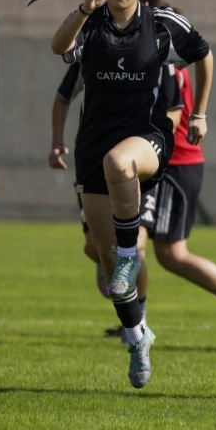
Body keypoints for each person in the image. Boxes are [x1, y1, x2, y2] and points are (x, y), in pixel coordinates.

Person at [4, 0, 214, 388]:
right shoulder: (90, 20)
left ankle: (126, 255)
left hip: (147, 140)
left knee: (121, 165)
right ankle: (138, 335)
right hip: (91, 146)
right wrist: (83, 8)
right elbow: (58, 45)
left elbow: (204, 54)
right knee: (106, 265)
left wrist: (198, 113)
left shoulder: (161, 23)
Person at [135, 0, 216, 342]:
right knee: (152, 249)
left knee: (165, 252)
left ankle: (138, 322)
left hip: (172, 165)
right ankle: (136, 320)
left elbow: (173, 113)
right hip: (157, 164)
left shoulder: (164, 56)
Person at [50, 57, 177, 341]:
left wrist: (162, 148)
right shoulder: (92, 48)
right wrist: (57, 142)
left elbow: (174, 110)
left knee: (135, 244)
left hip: (139, 159)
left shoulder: (156, 50)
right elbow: (62, 97)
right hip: (94, 157)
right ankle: (110, 261)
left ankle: (136, 325)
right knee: (98, 248)